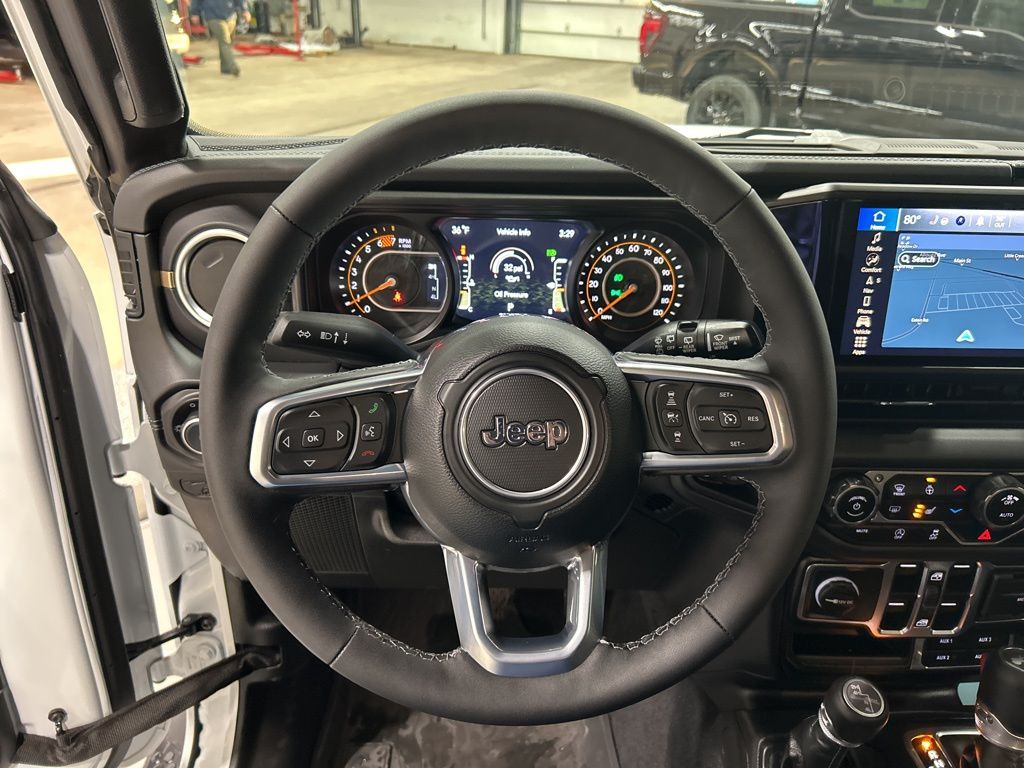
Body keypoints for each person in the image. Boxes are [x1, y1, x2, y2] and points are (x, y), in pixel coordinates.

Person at [191, 0, 250, 77]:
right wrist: (194, 13)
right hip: (213, 17)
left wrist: (245, 10)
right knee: (225, 41)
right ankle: (232, 66)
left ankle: (225, 68)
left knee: (226, 43)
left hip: (231, 16)